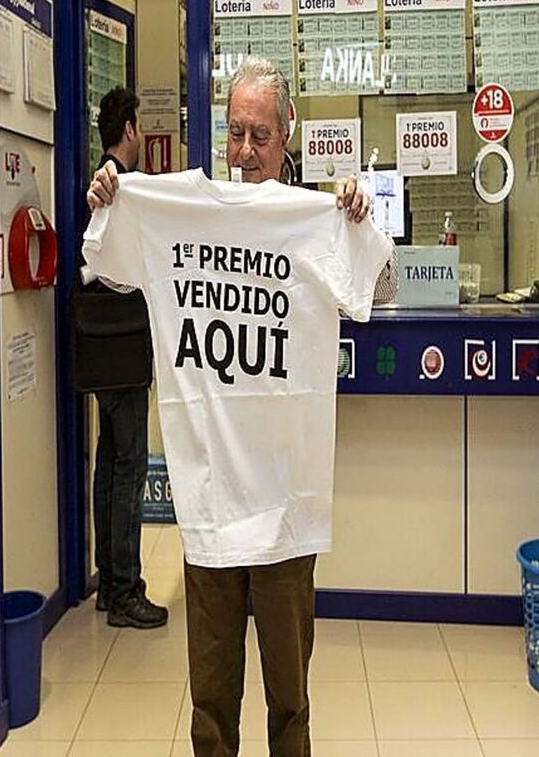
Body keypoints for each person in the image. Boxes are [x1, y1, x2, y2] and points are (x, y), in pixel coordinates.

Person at [86, 58, 394, 756]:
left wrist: (357, 212)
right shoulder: (179, 214)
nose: (245, 150)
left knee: (291, 702)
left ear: (288, 139)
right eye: (235, 133)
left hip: (286, 504)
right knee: (211, 702)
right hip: (211, 502)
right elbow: (106, 262)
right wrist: (110, 195)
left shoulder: (313, 217)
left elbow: (384, 284)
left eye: (260, 135)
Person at [87, 86, 168, 629]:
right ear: (132, 129)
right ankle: (125, 590)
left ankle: (106, 581)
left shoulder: (100, 181)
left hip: (99, 349)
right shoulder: (120, 187)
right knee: (128, 467)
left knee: (108, 462)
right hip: (123, 349)